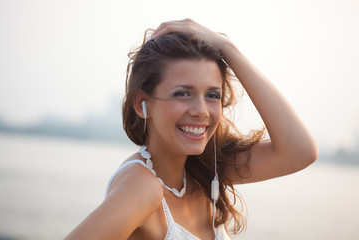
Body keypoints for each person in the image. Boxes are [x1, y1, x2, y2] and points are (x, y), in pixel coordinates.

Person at [64, 19, 318, 240]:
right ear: (143, 104)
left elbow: (300, 152)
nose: (202, 111)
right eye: (183, 93)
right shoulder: (142, 187)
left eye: (212, 95)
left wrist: (229, 49)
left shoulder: (203, 169)